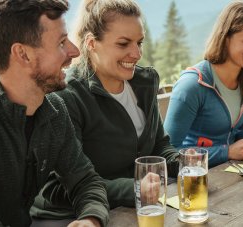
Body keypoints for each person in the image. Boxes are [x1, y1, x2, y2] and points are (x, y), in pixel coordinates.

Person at [0, 0, 109, 226]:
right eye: (61, 42)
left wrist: (90, 219)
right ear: (23, 54)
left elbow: (86, 181)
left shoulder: (55, 111)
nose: (74, 51)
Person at [29, 0, 180, 220]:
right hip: (72, 216)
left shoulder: (145, 84)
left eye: (140, 42)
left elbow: (159, 145)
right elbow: (56, 187)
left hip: (138, 207)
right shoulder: (68, 96)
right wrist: (133, 187)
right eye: (123, 44)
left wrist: (183, 163)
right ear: (91, 43)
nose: (136, 53)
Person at [164, 1, 243, 167]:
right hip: (193, 182)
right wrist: (227, 152)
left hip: (227, 178)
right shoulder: (192, 86)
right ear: (226, 38)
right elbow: (168, 153)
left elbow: (224, 135)